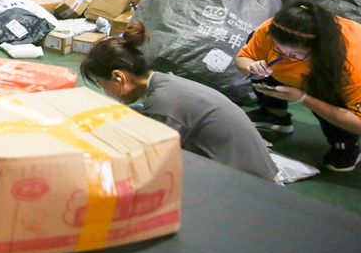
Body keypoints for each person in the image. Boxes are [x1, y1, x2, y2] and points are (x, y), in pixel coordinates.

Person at [82, 20, 279, 181]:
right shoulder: (165, 83)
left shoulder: (162, 104)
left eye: (101, 84)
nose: (105, 91)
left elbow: (149, 168)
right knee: (135, 112)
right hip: (251, 168)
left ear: (119, 77)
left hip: (252, 185)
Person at [237, 0, 361, 172]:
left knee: (327, 95)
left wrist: (303, 98)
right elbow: (244, 58)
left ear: (318, 48)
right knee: (260, 54)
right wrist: (251, 67)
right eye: (279, 50)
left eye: (294, 54)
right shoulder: (274, 29)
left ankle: (346, 144)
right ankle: (274, 115)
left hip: (330, 77)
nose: (285, 57)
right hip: (303, 72)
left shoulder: (352, 62)